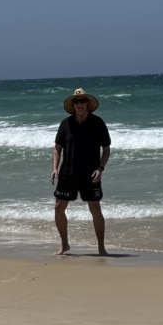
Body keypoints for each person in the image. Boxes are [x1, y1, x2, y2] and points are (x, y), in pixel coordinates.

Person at [52, 87, 112, 256]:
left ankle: (101, 246)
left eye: (82, 101)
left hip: (90, 174)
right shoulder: (66, 123)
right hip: (67, 173)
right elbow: (57, 149)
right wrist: (55, 168)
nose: (79, 104)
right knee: (58, 207)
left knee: (95, 208)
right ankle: (64, 244)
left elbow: (106, 149)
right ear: (73, 105)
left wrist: (101, 168)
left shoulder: (98, 123)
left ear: (88, 104)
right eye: (76, 101)